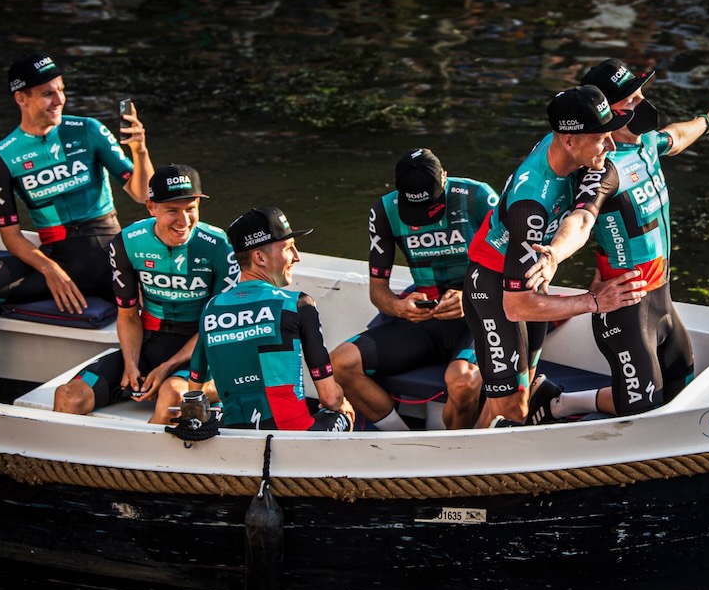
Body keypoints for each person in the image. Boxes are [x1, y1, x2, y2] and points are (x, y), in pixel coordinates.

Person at [523, 58, 709, 421]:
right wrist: (554, 254)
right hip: (626, 306)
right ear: (607, 113)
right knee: (643, 411)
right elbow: (582, 219)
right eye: (631, 100)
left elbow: (677, 138)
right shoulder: (603, 168)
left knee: (682, 387)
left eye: (640, 95)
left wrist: (708, 121)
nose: (642, 105)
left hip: (662, 296)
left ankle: (557, 402)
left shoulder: (647, 142)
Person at [0, 52, 154, 395]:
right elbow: (11, 235)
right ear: (21, 98)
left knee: (170, 298)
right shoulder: (2, 155)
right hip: (56, 259)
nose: (58, 99)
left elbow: (143, 195)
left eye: (60, 90)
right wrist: (50, 270)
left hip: (110, 255)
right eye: (47, 93)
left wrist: (140, 150)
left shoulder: (88, 130)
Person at [463, 85, 647, 428]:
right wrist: (593, 301)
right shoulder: (531, 204)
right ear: (569, 141)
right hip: (493, 284)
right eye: (602, 138)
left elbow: (581, 221)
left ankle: (469, 455)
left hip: (529, 270)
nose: (611, 145)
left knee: (522, 389)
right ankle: (460, 459)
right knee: (512, 407)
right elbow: (516, 306)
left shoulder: (570, 148)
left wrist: (554, 256)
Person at [52, 164, 238, 423]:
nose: (183, 221)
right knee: (68, 396)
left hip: (200, 348)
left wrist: (166, 368)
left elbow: (215, 326)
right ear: (151, 207)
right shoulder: (128, 242)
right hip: (149, 344)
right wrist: (131, 365)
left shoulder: (219, 246)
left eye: (190, 209)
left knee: (172, 395)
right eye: (172, 211)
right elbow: (128, 315)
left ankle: (130, 462)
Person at [331, 148, 498, 430]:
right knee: (339, 362)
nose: (425, 218)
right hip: (425, 320)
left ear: (445, 177)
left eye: (431, 208)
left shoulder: (478, 197)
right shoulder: (384, 211)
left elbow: (517, 272)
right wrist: (398, 307)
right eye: (416, 212)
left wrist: (469, 298)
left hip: (480, 314)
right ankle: (400, 438)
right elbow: (378, 291)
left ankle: (456, 456)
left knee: (463, 380)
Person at [189, 206, 353, 431]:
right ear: (259, 257)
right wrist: (343, 402)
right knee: (341, 410)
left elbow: (193, 394)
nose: (297, 257)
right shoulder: (297, 304)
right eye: (289, 248)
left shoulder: (211, 308)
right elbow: (329, 398)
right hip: (291, 437)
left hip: (235, 434)